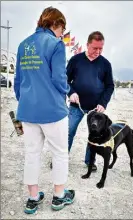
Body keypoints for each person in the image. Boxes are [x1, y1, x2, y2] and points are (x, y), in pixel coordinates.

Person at [14, 7, 75, 214]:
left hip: (28, 110)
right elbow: (59, 79)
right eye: (62, 29)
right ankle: (58, 196)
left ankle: (32, 198)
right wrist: (68, 91)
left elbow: (18, 82)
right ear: (55, 24)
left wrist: (25, 102)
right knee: (59, 152)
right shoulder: (56, 44)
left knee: (32, 154)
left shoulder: (23, 45)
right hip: (52, 111)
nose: (62, 34)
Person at [67, 31, 114, 171]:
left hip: (95, 109)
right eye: (95, 48)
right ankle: (61, 159)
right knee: (69, 131)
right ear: (87, 45)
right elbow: (64, 80)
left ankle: (90, 161)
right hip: (76, 106)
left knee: (94, 134)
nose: (98, 51)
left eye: (101, 48)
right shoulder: (75, 60)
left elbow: (110, 86)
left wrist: (103, 103)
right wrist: (71, 92)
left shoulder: (106, 64)